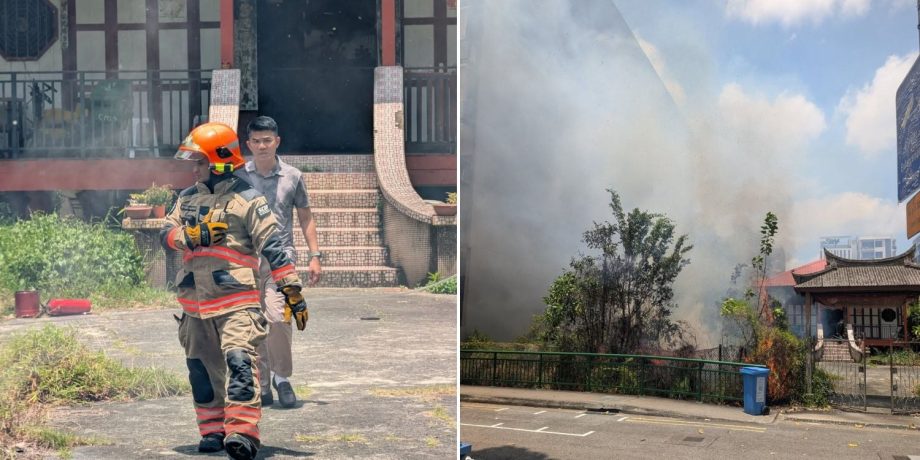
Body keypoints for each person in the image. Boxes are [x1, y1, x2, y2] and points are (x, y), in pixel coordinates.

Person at [160, 122, 308, 459]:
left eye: (199, 162)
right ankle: (212, 431)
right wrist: (189, 237)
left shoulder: (249, 200)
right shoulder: (185, 200)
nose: (193, 169)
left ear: (220, 160)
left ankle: (242, 433)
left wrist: (292, 292)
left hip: (236, 303)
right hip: (194, 305)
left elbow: (273, 248)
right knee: (201, 370)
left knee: (240, 363)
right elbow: (165, 235)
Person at [235, 115, 322, 408]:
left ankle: (282, 378)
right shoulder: (239, 176)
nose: (262, 146)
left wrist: (315, 255)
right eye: (256, 141)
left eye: (267, 140)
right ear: (248, 144)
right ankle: (261, 382)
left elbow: (305, 216)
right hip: (246, 259)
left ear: (277, 142)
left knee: (279, 317)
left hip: (281, 260)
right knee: (254, 321)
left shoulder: (293, 176)